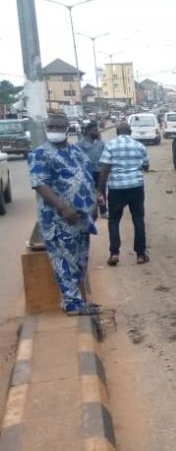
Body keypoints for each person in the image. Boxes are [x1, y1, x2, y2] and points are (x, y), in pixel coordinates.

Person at [28, 113, 100, 315]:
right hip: (58, 220)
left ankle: (78, 300)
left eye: (59, 126)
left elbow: (87, 178)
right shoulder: (41, 153)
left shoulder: (76, 152)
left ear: (68, 128)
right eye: (51, 126)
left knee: (79, 261)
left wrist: (94, 206)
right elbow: (40, 183)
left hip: (82, 219)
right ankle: (72, 304)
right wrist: (62, 207)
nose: (55, 129)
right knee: (64, 260)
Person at [98, 122, 150, 265]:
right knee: (138, 219)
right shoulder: (139, 146)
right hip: (136, 186)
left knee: (114, 220)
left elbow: (105, 170)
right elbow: (146, 166)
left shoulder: (110, 145)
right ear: (130, 132)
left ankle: (114, 253)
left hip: (116, 188)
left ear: (117, 131)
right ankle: (140, 254)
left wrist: (100, 190)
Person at [77, 121, 107, 217]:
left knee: (101, 191)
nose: (97, 132)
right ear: (89, 131)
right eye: (95, 130)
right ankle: (90, 210)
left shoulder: (101, 143)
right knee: (87, 191)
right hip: (87, 172)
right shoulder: (80, 144)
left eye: (97, 130)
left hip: (99, 172)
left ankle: (103, 211)